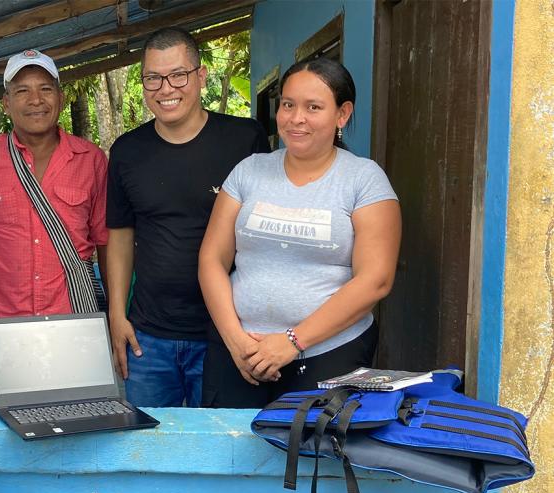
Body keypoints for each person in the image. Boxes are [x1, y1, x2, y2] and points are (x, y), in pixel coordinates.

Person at [198, 57, 402, 408]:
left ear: (342, 114)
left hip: (328, 354)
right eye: (288, 105)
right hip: (240, 356)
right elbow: (212, 259)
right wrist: (234, 340)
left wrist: (292, 341)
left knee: (311, 459)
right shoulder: (250, 171)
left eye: (313, 107)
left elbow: (375, 280)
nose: (296, 118)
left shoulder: (364, 180)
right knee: (230, 456)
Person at [105, 28, 270, 407]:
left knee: (220, 451)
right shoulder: (127, 151)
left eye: (178, 75)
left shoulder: (244, 139)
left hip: (226, 331)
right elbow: (120, 236)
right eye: (153, 78)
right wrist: (117, 314)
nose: (166, 89)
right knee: (144, 450)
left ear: (201, 76)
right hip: (148, 336)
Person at [0, 49, 108, 321]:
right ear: (6, 102)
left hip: (76, 315)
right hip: (5, 321)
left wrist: (115, 315)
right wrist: (1, 282)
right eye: (22, 91)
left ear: (60, 98)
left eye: (45, 89)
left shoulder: (91, 159)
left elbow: (105, 242)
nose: (36, 100)